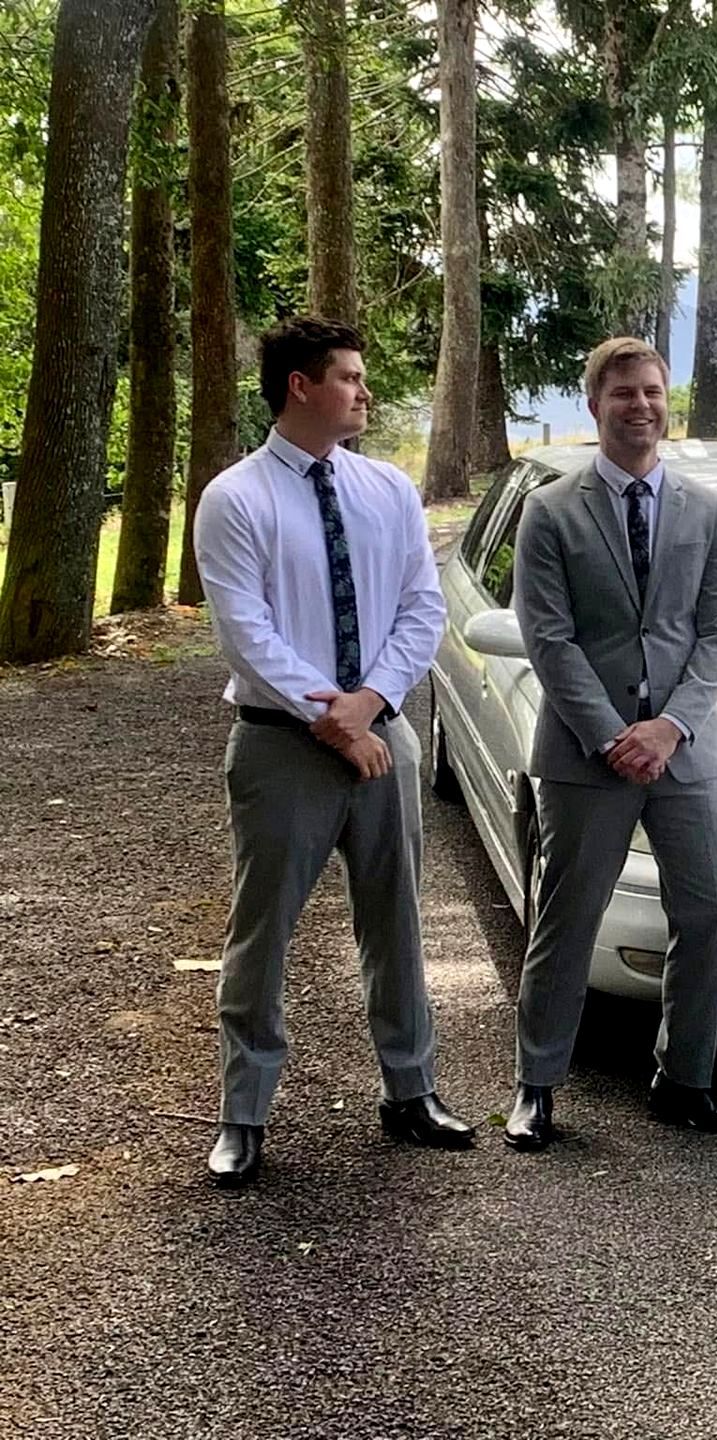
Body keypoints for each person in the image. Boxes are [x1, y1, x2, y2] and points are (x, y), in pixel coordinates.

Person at [192, 315, 473, 1188]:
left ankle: (410, 1091)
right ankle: (244, 1113)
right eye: (348, 376)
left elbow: (422, 608)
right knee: (262, 931)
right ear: (300, 386)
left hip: (383, 739)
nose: (363, 391)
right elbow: (245, 635)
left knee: (396, 920)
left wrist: (371, 704)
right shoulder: (236, 498)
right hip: (282, 748)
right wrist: (334, 718)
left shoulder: (387, 489)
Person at [502, 337, 717, 1151]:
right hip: (586, 754)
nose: (640, 406)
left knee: (711, 910)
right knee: (568, 918)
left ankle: (685, 1079)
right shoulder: (551, 510)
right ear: (594, 405)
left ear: (665, 400)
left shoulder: (707, 511)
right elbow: (549, 638)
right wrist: (613, 736)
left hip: (686, 750)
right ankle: (538, 1084)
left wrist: (670, 726)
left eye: (651, 391)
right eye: (623, 394)